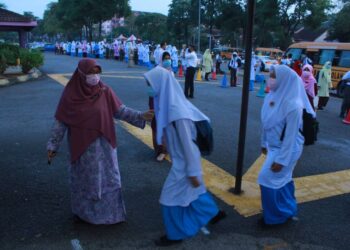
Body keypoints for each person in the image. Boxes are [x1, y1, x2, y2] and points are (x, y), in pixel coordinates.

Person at [46, 59, 154, 225]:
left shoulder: (104, 91)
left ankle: (111, 215)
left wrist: (141, 116)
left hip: (105, 147)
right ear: (81, 74)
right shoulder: (70, 95)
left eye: (97, 72)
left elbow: (120, 111)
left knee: (109, 180)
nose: (95, 76)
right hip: (82, 150)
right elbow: (61, 121)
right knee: (85, 181)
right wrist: (53, 145)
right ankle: (85, 214)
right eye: (90, 73)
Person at [144, 66, 226, 246]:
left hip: (185, 165)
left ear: (160, 84)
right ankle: (212, 212)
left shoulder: (177, 112)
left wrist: (193, 171)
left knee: (168, 199)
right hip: (182, 163)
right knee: (195, 191)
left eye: (150, 83)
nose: (148, 87)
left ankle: (175, 234)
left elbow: (190, 146)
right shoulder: (168, 104)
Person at [258, 65, 315, 226]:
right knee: (283, 178)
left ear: (284, 79)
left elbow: (290, 137)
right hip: (274, 146)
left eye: (274, 76)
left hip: (288, 149)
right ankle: (288, 209)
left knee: (266, 178)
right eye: (270, 75)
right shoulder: (271, 97)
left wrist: (282, 160)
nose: (271, 79)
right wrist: (264, 143)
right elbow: (265, 122)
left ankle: (277, 216)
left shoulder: (294, 105)